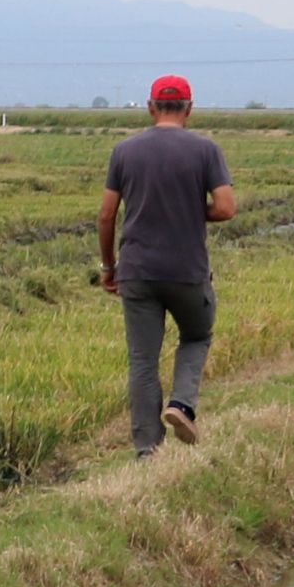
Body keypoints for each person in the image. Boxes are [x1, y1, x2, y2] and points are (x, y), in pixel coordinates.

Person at [96, 74, 235, 452]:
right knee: (196, 335)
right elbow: (226, 207)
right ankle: (181, 404)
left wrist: (109, 268)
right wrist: (188, 210)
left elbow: (107, 216)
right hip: (187, 272)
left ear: (150, 107)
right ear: (189, 109)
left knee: (143, 360)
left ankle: (147, 452)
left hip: (137, 271)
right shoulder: (206, 150)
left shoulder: (125, 151)